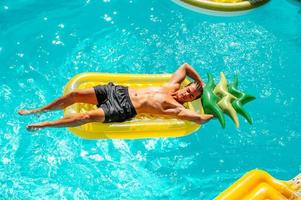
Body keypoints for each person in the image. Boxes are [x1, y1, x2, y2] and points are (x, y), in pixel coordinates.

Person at [19, 63, 214, 131]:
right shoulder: (172, 84)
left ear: (190, 100)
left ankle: (43, 124)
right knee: (75, 94)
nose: (187, 94)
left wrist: (213, 111)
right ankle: (37, 111)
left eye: (191, 96)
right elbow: (185, 66)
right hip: (118, 91)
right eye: (189, 90)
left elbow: (198, 119)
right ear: (186, 86)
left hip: (124, 108)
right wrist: (200, 82)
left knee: (85, 117)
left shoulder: (177, 108)